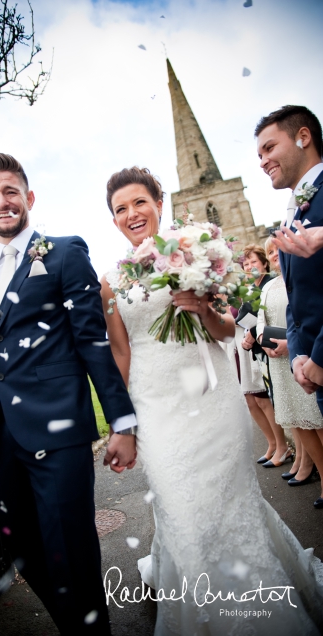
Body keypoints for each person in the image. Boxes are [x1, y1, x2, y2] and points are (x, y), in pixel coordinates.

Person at [102, 166, 323, 633]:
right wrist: (123, 423)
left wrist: (202, 306)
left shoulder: (192, 253)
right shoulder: (112, 281)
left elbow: (227, 329)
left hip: (209, 397)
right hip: (156, 405)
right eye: (120, 209)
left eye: (139, 202)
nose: (132, 213)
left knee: (225, 500)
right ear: (114, 220)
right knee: (179, 501)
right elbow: (120, 352)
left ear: (159, 204)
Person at [0, 152, 137, 635]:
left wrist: (122, 422)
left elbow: (92, 342)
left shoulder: (63, 253)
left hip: (58, 432)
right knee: (23, 552)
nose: (3, 201)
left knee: (72, 550)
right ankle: (73, 625)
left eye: (11, 191)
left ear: (29, 197)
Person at [256, 105, 323, 416]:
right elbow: (295, 297)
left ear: (303, 137)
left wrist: (320, 357)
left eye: (269, 148)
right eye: (259, 155)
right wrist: (298, 355)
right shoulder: (291, 215)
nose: (263, 161)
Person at [257, 238, 323, 507]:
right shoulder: (269, 286)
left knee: (315, 419)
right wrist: (262, 336)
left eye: (277, 250)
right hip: (279, 364)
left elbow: (304, 314)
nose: (274, 255)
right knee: (295, 418)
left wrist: (290, 345)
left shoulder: (299, 277)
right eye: (270, 252)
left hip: (301, 356)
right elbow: (261, 317)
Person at [235, 244, 289, 467]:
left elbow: (266, 318)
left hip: (275, 347)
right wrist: (250, 333)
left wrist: (254, 332)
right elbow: (243, 316)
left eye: (253, 262)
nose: (249, 267)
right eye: (245, 264)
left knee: (273, 400)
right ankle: (276, 445)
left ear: (265, 263)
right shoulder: (250, 289)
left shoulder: (271, 285)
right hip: (256, 348)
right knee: (261, 399)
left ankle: (285, 448)